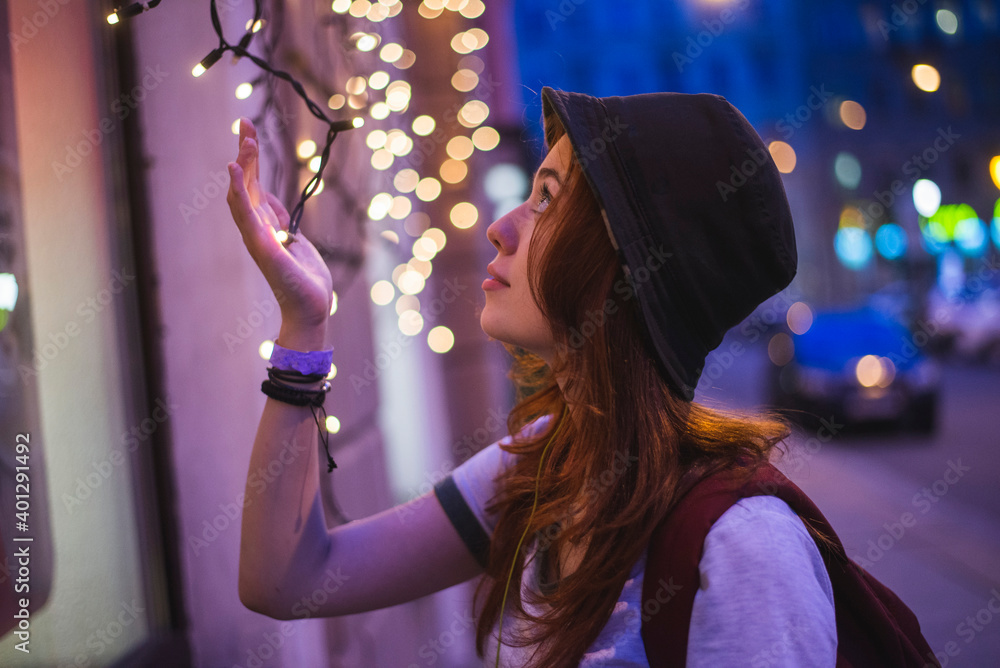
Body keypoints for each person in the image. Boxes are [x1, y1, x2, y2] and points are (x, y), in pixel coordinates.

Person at [227, 88, 929, 667]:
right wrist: (304, 326)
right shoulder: (545, 464)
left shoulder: (743, 545)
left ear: (621, 270)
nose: (502, 227)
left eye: (545, 200)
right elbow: (289, 579)